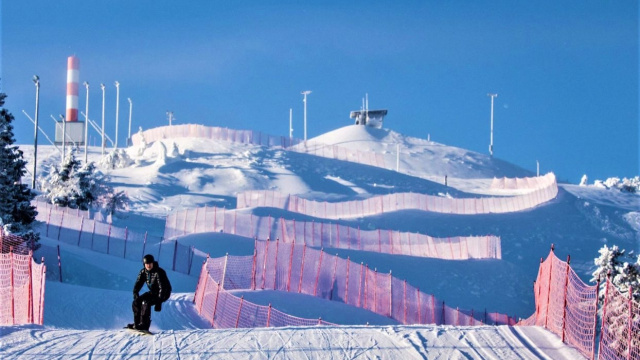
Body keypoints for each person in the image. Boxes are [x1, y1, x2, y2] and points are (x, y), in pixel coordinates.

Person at [128, 254, 172, 331]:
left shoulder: (159, 272)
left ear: (153, 263)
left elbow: (163, 288)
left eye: (150, 264)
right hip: (153, 292)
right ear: (144, 264)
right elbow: (138, 283)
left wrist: (159, 302)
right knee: (136, 302)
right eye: (146, 264)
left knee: (146, 302)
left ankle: (144, 325)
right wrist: (135, 293)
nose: (148, 265)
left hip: (164, 293)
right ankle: (137, 323)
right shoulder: (143, 272)